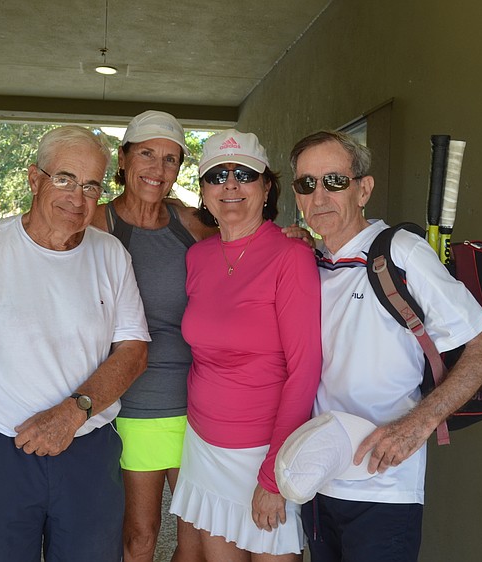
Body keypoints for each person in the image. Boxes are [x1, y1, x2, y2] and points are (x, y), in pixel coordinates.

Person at [0, 110, 218, 562]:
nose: (157, 167)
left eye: (171, 159)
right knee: (137, 536)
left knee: (197, 536)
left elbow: (244, 249)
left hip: (188, 394)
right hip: (124, 402)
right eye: (147, 153)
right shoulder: (91, 222)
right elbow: (36, 228)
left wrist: (299, 242)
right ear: (125, 161)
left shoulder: (193, 228)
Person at [0, 125, 151, 561]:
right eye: (64, 178)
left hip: (88, 446)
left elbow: (134, 351)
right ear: (34, 179)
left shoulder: (111, 255)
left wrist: (73, 411)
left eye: (90, 186)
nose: (77, 197)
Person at [288, 129, 482, 561]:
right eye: (306, 184)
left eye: (334, 181)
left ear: (363, 189)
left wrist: (417, 425)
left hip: (384, 489)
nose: (319, 196)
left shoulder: (401, 252)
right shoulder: (308, 262)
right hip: (319, 478)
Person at [168, 129, 322, 561]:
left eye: (244, 174)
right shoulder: (197, 257)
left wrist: (274, 475)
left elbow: (305, 368)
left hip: (263, 452)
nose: (230, 185)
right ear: (203, 190)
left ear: (266, 186)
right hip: (203, 444)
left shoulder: (291, 256)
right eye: (217, 175)